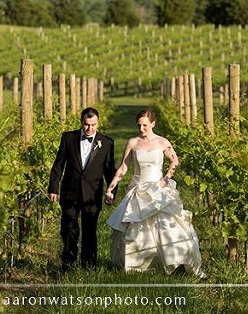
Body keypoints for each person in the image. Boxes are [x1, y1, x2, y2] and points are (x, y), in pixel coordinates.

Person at [105, 109, 203, 274]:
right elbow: (123, 167)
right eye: (139, 125)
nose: (141, 129)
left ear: (153, 124)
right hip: (138, 187)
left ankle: (174, 261)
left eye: (145, 125)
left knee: (167, 226)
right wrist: (111, 188)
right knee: (136, 228)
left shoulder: (162, 142)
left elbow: (175, 160)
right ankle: (138, 264)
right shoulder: (132, 142)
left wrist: (166, 178)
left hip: (158, 187)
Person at [48, 107, 117, 270]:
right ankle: (68, 262)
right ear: (81, 122)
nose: (90, 129)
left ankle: (88, 265)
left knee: (90, 230)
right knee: (68, 228)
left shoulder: (106, 143)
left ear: (97, 123)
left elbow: (110, 170)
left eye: (93, 125)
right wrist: (53, 188)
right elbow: (58, 165)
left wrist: (111, 191)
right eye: (87, 125)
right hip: (69, 192)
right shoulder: (68, 138)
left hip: (92, 193)